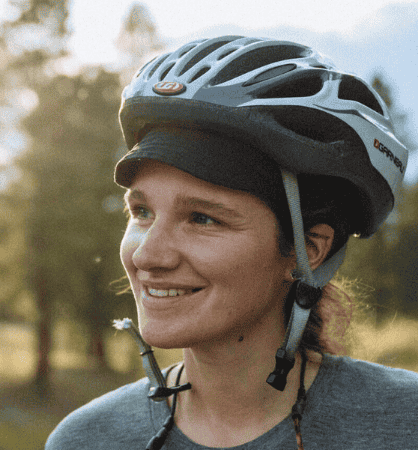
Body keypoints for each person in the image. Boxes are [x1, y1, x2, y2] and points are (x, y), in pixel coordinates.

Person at [45, 36, 417, 449]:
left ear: (308, 251)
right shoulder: (86, 440)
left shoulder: (405, 424)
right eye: (141, 212)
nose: (148, 254)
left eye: (202, 218)